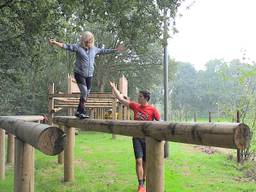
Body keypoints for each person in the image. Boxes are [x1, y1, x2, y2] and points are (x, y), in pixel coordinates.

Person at [48, 31, 124, 119]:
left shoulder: (94, 49)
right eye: (87, 42)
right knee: (84, 91)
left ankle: (79, 111)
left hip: (89, 75)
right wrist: (55, 43)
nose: (89, 44)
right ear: (84, 41)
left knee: (86, 93)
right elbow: (66, 46)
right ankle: (82, 111)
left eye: (90, 42)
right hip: (79, 73)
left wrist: (115, 50)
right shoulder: (78, 47)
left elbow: (104, 51)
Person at [109, 81, 160, 192]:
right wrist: (114, 88)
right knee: (138, 161)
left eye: (140, 97)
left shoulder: (153, 110)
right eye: (138, 96)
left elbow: (159, 124)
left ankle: (143, 182)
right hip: (136, 138)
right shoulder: (135, 106)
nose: (138, 98)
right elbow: (122, 100)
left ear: (146, 98)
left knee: (145, 162)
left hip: (147, 140)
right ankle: (141, 185)